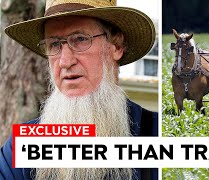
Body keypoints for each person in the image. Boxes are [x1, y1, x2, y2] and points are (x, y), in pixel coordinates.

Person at [0, 0, 158, 179]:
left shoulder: (157, 133)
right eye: (54, 44)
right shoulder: (23, 145)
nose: (65, 61)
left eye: (81, 39)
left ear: (117, 46)